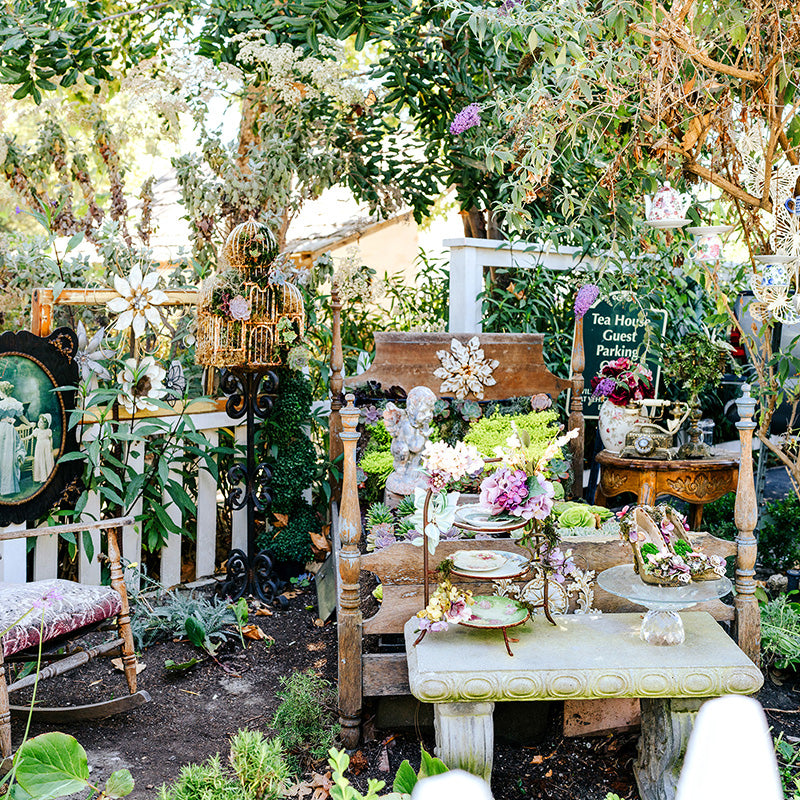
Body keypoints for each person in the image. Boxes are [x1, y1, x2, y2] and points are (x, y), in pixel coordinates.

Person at [0, 380, 27, 496]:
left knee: (2, 456)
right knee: (8, 456)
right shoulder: (15, 403)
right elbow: (21, 417)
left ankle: (4, 488)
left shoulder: (2, 404)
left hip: (2, 429)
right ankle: (8, 487)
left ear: (2, 391)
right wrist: (29, 423)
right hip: (10, 430)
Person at [32, 414, 55, 483]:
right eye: (39, 421)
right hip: (39, 446)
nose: (39, 423)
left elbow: (51, 439)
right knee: (40, 459)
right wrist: (24, 438)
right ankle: (41, 477)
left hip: (46, 446)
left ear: (46, 424)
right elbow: (31, 436)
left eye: (41, 422)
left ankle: (49, 475)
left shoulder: (48, 431)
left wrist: (51, 446)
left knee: (47, 459)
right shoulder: (37, 430)